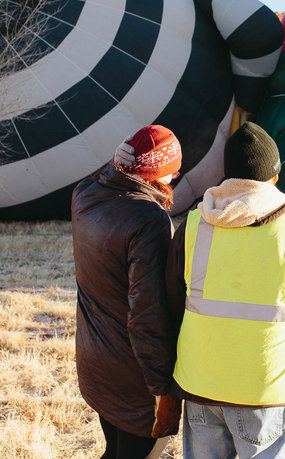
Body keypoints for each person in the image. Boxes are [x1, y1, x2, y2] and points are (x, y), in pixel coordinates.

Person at [167, 122, 285, 459]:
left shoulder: (192, 225)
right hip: (271, 388)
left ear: (228, 175)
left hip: (201, 382)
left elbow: (173, 300)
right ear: (274, 177)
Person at [71, 125, 184, 459]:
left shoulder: (85, 196)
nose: (175, 178)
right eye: (172, 172)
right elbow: (147, 315)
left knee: (114, 451)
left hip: (96, 362)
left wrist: (112, 165)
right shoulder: (148, 220)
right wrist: (162, 389)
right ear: (158, 172)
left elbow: (97, 179)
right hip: (133, 378)